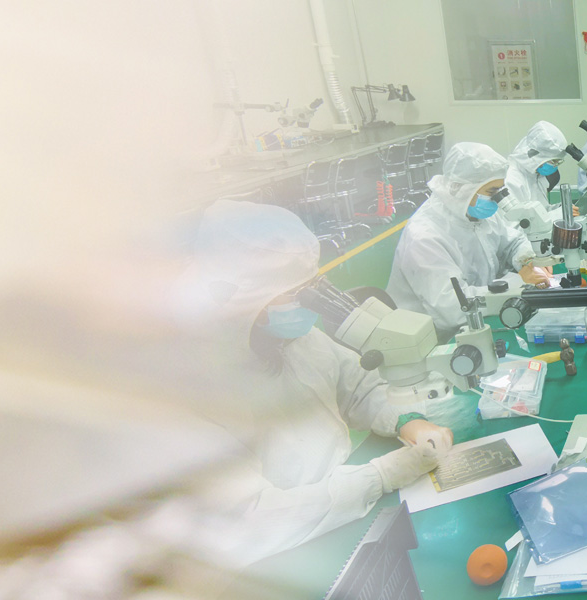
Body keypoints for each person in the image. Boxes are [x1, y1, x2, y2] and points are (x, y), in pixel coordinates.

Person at [174, 200, 455, 563]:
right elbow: (249, 520)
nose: (308, 304)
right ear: (242, 295)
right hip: (280, 556)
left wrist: (407, 420)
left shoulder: (286, 335)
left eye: (313, 286)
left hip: (343, 505)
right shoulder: (191, 385)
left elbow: (358, 386)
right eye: (296, 293)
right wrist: (379, 477)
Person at [389, 142, 548, 338]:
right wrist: (517, 283)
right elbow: (452, 308)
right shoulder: (424, 237)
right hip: (435, 338)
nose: (498, 199)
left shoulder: (477, 212)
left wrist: (528, 261)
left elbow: (513, 241)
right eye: (492, 192)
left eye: (501, 190)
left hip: (483, 318)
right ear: (461, 189)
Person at [500, 121, 571, 248]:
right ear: (535, 155)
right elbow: (513, 230)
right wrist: (557, 215)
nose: (555, 166)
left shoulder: (536, 176)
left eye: (557, 162)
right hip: (523, 251)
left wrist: (561, 209)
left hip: (541, 244)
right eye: (552, 162)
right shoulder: (511, 180)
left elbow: (541, 211)